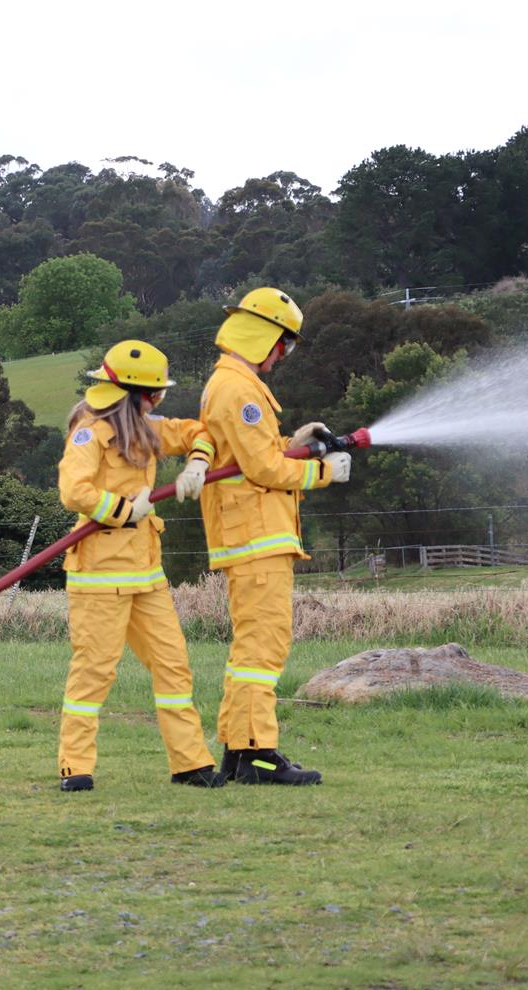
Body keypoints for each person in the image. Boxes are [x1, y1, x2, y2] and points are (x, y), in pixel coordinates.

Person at [54, 340, 226, 792]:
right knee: (94, 673)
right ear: (139, 395)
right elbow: (74, 491)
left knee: (173, 667)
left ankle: (190, 764)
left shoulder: (147, 429)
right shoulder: (89, 433)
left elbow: (200, 432)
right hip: (98, 577)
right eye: (156, 393)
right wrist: (124, 510)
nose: (160, 401)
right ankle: (76, 767)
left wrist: (197, 465)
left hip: (147, 577)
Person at [193, 288, 350, 785]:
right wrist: (324, 472)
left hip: (251, 536)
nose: (283, 356)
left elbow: (253, 454)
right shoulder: (239, 390)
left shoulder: (232, 384)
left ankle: (241, 752)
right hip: (256, 537)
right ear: (268, 338)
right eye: (285, 345)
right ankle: (258, 755)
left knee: (252, 652)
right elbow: (262, 469)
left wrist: (295, 442)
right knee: (262, 651)